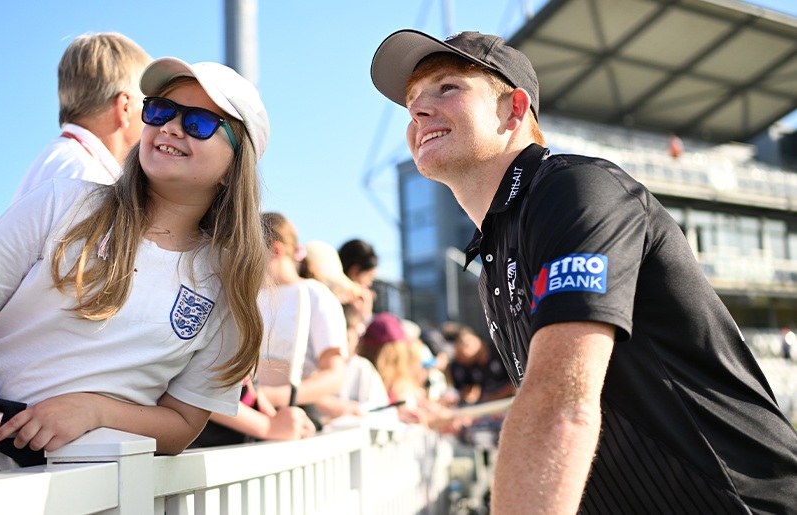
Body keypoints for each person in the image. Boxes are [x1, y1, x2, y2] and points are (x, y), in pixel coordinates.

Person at [371, 29, 797, 513]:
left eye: (447, 87)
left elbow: (559, 403)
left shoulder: (573, 189)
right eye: (411, 103)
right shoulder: (495, 250)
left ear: (514, 109)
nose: (418, 112)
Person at [0, 56, 270, 482]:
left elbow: (184, 423)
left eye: (199, 123)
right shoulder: (61, 202)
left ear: (234, 166)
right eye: (160, 111)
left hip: (93, 492)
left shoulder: (230, 285)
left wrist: (94, 410)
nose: (169, 127)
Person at [12, 33, 152, 201]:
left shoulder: (58, 162)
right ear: (125, 106)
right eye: (150, 106)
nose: (158, 123)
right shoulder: (88, 181)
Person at [256, 213, 348, 428]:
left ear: (275, 251)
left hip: (296, 416)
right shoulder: (249, 297)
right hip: (251, 413)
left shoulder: (315, 294)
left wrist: (274, 396)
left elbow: (334, 375)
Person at [337, 239, 379, 321]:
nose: (369, 284)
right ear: (354, 271)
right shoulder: (336, 301)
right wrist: (364, 315)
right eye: (369, 277)